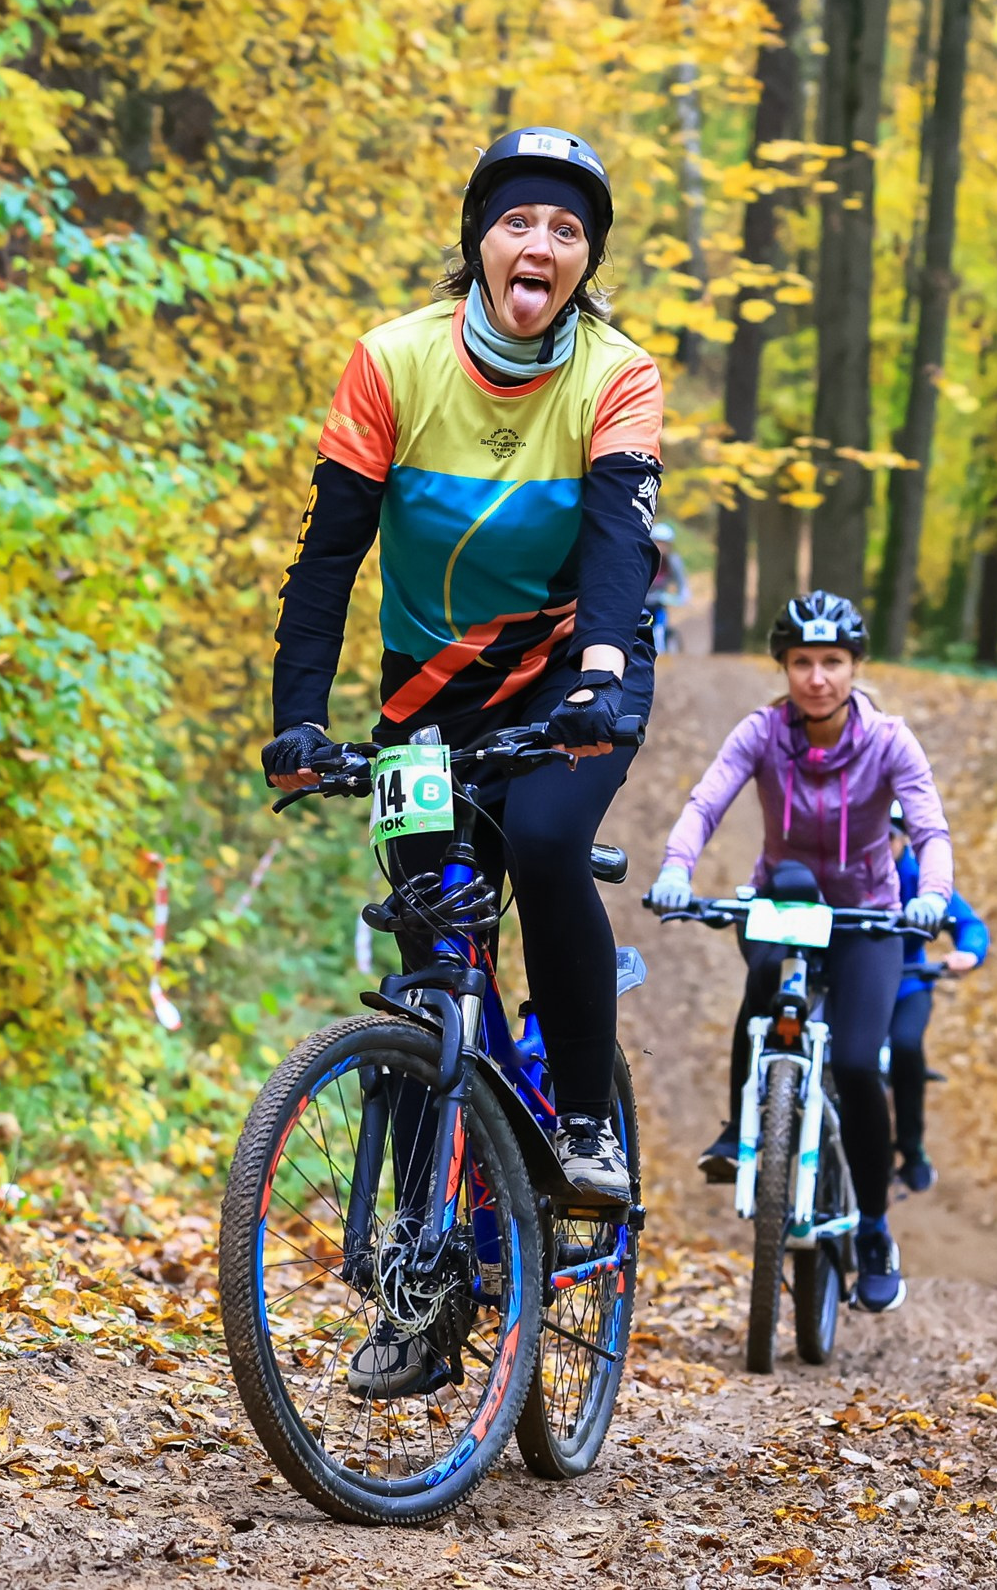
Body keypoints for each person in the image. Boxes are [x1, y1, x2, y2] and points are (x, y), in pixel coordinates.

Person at [263, 125, 665, 1237]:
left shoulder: (617, 374)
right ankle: (421, 1257)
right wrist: (299, 718)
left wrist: (593, 681)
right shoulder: (393, 360)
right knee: (432, 947)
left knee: (539, 843)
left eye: (567, 230)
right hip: (426, 691)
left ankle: (583, 1120)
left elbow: (617, 551)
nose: (539, 243)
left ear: (586, 262)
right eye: (518, 220)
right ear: (479, 241)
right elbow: (328, 556)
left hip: (571, 675)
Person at [645, 591, 952, 1313]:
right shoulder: (762, 732)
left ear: (855, 667)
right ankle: (737, 1124)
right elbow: (707, 800)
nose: (818, 677)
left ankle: (874, 1227)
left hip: (868, 915)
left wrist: (931, 894)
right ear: (783, 666)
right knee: (763, 987)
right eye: (803, 662)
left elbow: (931, 830)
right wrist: (675, 869)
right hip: (783, 903)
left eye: (834, 662)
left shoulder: (889, 740)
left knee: (853, 1061)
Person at [883, 800, 988, 1193]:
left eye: (889, 838)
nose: (881, 846)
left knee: (907, 1047)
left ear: (903, 839)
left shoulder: (918, 877)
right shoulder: (848, 875)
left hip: (908, 984)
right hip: (852, 985)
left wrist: (969, 952)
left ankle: (911, 1151)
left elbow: (968, 923)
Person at [647, 522, 688, 652]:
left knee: (660, 626)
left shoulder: (673, 561)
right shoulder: (645, 559)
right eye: (658, 542)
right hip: (642, 601)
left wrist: (680, 598)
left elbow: (682, 584)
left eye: (665, 543)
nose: (662, 547)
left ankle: (660, 650)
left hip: (659, 601)